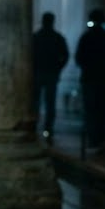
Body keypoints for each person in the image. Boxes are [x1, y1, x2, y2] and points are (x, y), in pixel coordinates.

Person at [75, 8, 105, 152]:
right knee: (101, 109)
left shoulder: (86, 37)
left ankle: (93, 139)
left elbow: (79, 58)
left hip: (89, 79)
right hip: (104, 79)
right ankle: (99, 137)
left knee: (90, 110)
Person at [32, 11, 69, 141]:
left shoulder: (36, 37)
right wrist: (58, 68)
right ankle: (47, 129)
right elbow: (65, 56)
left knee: (37, 102)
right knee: (49, 103)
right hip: (50, 74)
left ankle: (35, 127)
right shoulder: (57, 38)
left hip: (39, 74)